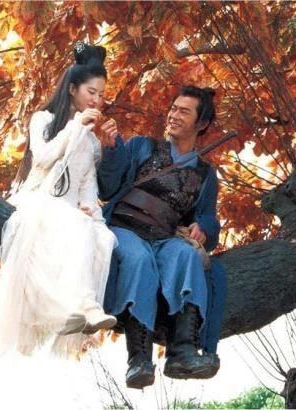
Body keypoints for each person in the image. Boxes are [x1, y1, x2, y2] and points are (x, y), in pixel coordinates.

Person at [0, 42, 117, 359]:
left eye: (101, 95)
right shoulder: (43, 120)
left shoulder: (92, 142)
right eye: (91, 92)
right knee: (78, 226)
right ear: (72, 89)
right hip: (39, 200)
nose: (96, 100)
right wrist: (74, 127)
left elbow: (87, 185)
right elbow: (43, 158)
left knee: (104, 238)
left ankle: (76, 313)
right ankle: (84, 304)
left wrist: (92, 211)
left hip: (70, 209)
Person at [96, 86, 227, 389]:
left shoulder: (205, 175)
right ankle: (139, 360)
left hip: (165, 237)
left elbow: (208, 218)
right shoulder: (142, 146)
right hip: (124, 228)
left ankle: (182, 353)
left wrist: (204, 227)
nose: (174, 115)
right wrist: (112, 150)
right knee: (138, 260)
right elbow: (107, 187)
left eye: (184, 111)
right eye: (173, 108)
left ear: (201, 123)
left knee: (187, 255)